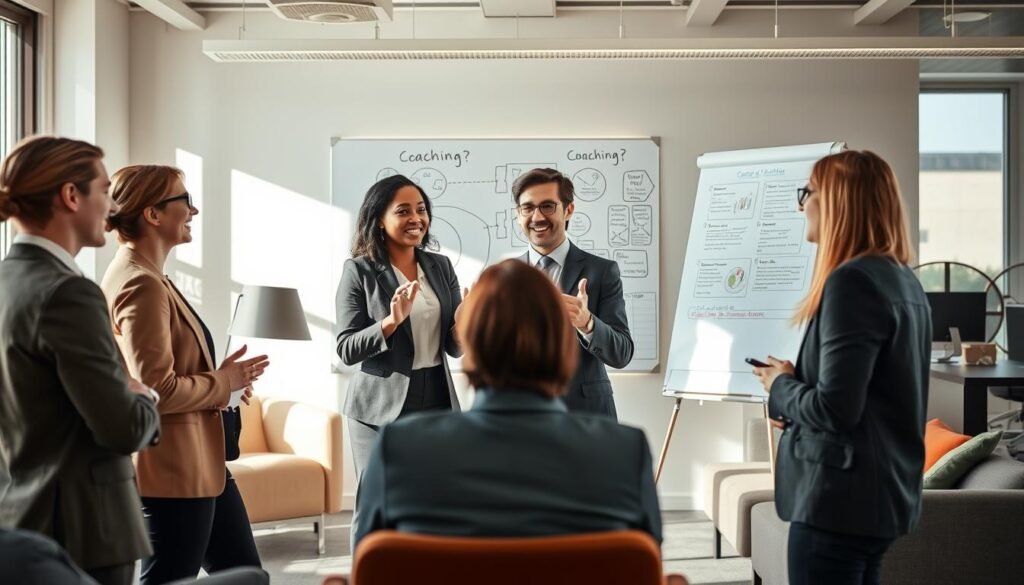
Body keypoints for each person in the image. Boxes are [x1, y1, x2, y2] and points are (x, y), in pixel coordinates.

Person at [352, 259, 661, 550]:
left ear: (470, 345)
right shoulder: (625, 454)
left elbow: (372, 565)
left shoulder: (399, 451)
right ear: (564, 348)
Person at [751, 150, 931, 585]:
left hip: (836, 502)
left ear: (838, 201)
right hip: (878, 500)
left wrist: (780, 385)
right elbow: (873, 403)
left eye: (808, 193)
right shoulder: (902, 279)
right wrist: (799, 393)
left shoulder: (852, 282)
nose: (801, 205)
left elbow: (836, 409)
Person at [0, 136, 161, 585]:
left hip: (21, 518)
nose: (111, 208)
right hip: (85, 529)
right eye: (105, 190)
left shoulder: (8, 282)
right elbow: (123, 427)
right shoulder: (69, 292)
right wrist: (145, 394)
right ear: (71, 196)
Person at [101, 165, 268, 584]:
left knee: (245, 575)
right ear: (153, 214)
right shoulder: (141, 283)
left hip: (200, 466)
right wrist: (223, 383)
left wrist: (226, 388)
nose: (194, 210)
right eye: (184, 200)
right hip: (174, 472)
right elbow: (157, 388)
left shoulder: (152, 276)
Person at [335, 174, 464, 545]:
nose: (416, 219)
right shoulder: (359, 270)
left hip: (437, 397)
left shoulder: (440, 267)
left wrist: (467, 322)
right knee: (377, 509)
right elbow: (346, 348)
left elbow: (454, 347)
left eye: (421, 210)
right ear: (379, 218)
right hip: (378, 406)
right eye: (403, 211)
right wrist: (390, 322)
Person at [513, 168, 634, 418]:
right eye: (528, 208)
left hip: (585, 416)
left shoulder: (602, 271)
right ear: (518, 214)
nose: (537, 217)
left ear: (568, 210)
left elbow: (622, 353)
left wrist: (587, 323)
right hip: (521, 417)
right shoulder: (505, 275)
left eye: (548, 206)